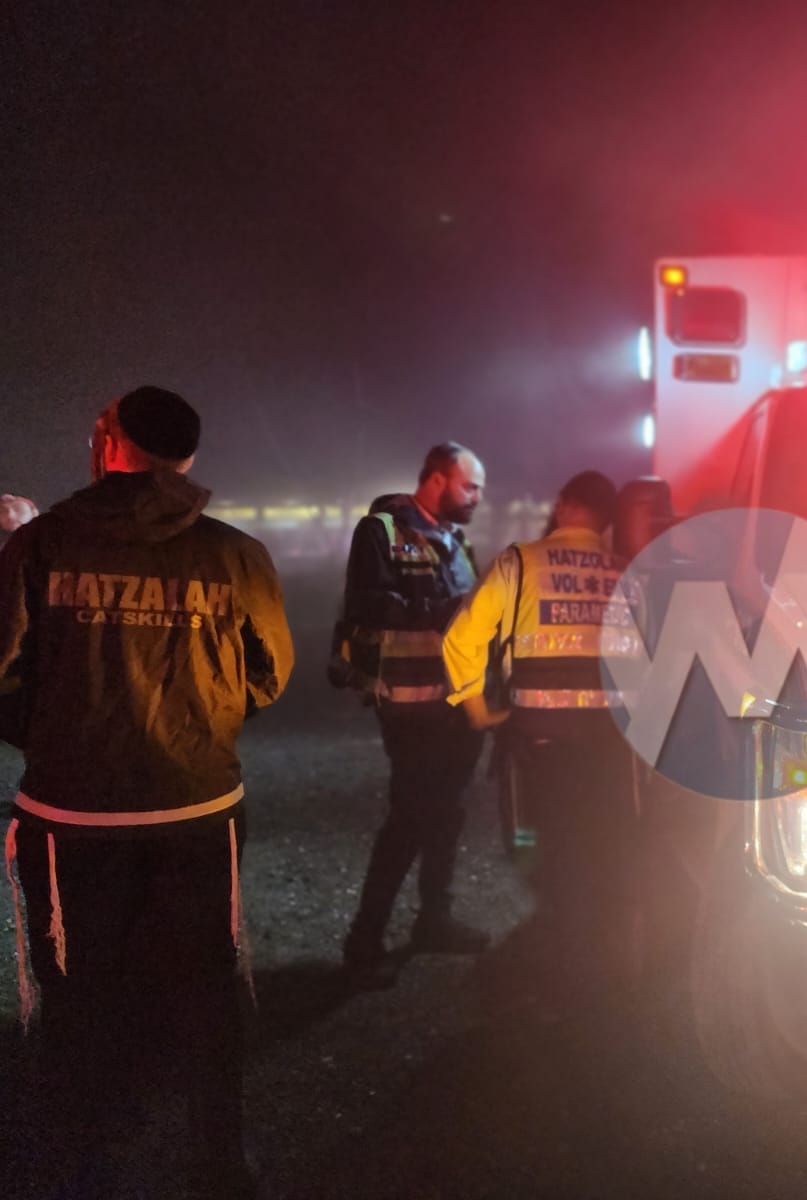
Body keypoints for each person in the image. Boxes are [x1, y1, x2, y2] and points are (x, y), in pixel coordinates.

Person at [0, 386, 294, 1197]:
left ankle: (82, 1158)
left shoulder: (40, 544)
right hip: (197, 809)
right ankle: (218, 1158)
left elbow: (2, 669)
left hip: (71, 814)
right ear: (187, 457)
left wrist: (57, 735)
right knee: (207, 986)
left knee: (78, 991)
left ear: (109, 443)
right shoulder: (236, 555)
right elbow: (270, 672)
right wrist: (200, 723)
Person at [442, 470, 634, 997]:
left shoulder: (520, 563)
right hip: (609, 743)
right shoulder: (625, 573)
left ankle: (559, 966)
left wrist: (475, 707)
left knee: (550, 846)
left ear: (565, 504)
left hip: (540, 741)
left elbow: (462, 637)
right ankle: (600, 963)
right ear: (607, 520)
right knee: (600, 844)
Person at [339, 442, 491, 987]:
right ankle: (364, 941)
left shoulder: (455, 540)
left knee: (447, 816)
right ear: (436, 479)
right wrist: (451, 609)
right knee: (409, 819)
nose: (477, 497)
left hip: (455, 704)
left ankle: (434, 920)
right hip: (410, 706)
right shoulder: (380, 530)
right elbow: (369, 606)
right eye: (469, 486)